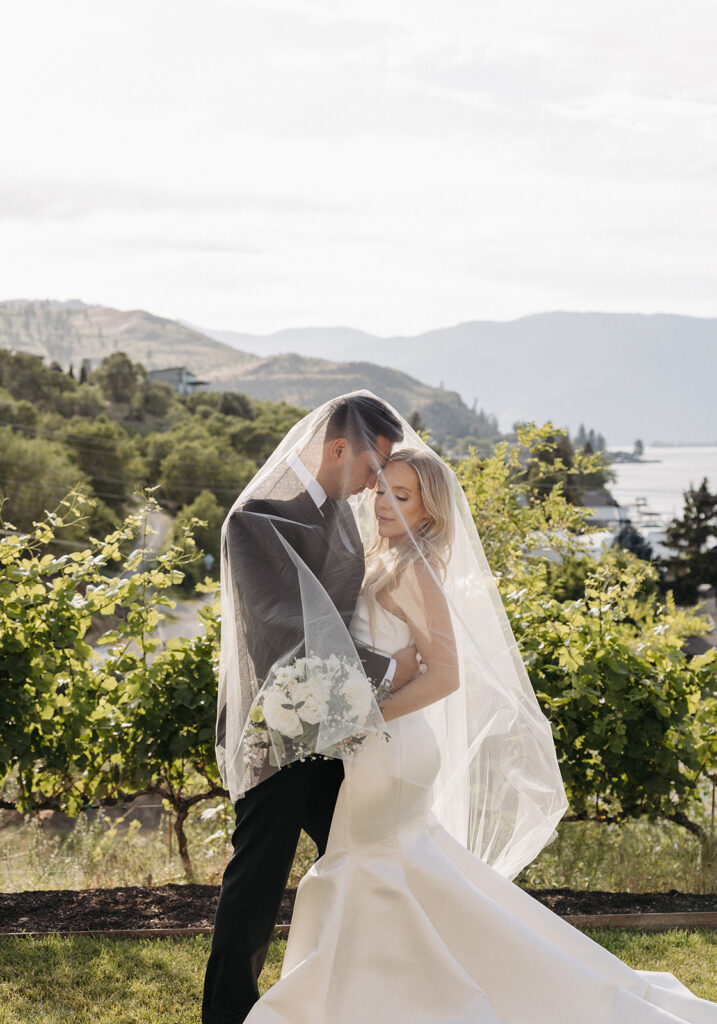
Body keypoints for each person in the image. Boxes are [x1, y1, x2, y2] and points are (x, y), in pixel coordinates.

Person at [242, 439, 717, 1023]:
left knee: (366, 865)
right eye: (382, 488)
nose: (385, 502)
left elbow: (444, 677)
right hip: (380, 751)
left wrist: (357, 722)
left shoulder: (414, 569)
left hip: (390, 753)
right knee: (398, 871)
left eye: (403, 494)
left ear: (428, 511)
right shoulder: (381, 556)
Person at [202, 395, 420, 1024]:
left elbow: (349, 609)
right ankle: (227, 1014)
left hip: (339, 726)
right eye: (373, 468)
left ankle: (381, 996)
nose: (375, 484)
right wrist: (386, 668)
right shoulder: (255, 519)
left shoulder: (344, 517)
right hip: (278, 729)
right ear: (337, 449)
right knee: (258, 881)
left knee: (369, 860)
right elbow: (284, 627)